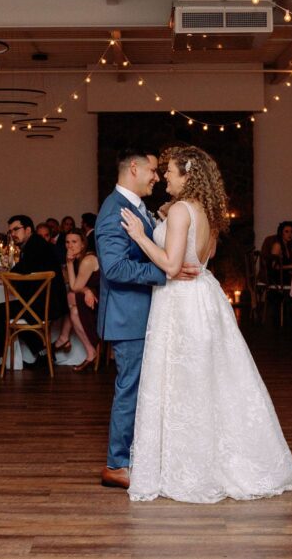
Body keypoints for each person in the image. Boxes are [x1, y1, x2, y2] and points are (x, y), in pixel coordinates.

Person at [120, 145, 292, 503]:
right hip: (204, 295)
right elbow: (205, 256)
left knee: (184, 383)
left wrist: (141, 236)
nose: (165, 177)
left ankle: (191, 468)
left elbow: (172, 267)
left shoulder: (179, 213)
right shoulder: (204, 211)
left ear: (188, 175)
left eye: (170, 171)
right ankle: (221, 459)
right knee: (213, 380)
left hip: (180, 301)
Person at [94, 149, 201, 491]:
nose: (157, 177)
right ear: (135, 169)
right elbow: (113, 268)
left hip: (146, 312)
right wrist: (165, 273)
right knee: (131, 388)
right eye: (153, 171)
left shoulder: (137, 208)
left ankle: (139, 454)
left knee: (145, 389)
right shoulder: (113, 212)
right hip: (129, 316)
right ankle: (116, 464)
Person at [0, 215, 70, 372]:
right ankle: (43, 355)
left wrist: (4, 278)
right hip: (44, 304)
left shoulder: (35, 245)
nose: (13, 233)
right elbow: (24, 270)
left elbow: (23, 269)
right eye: (11, 230)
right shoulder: (35, 244)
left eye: (16, 229)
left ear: (28, 229)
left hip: (44, 306)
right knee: (21, 315)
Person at [58, 228, 100, 370]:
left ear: (83, 244)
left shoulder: (88, 259)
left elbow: (74, 288)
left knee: (70, 297)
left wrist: (68, 263)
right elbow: (75, 285)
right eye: (67, 242)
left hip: (101, 301)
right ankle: (91, 352)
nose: (70, 245)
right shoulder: (78, 258)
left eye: (74, 242)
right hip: (89, 297)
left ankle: (64, 337)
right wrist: (86, 290)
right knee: (74, 313)